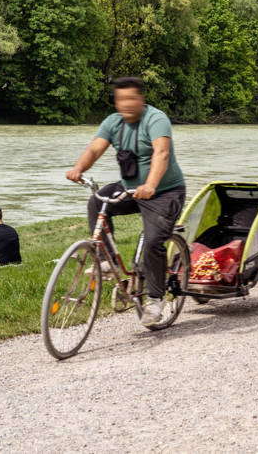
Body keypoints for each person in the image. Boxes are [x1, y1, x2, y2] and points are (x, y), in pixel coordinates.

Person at [65, 77, 186, 327]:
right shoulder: (113, 122)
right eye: (121, 99)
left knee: (153, 243)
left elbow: (161, 153)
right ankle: (106, 262)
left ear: (141, 99)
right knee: (97, 202)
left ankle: (155, 301)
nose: (126, 104)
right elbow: (95, 149)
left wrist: (151, 185)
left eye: (131, 98)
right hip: (131, 188)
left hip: (164, 192)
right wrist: (78, 168)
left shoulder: (155, 119)